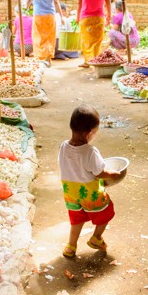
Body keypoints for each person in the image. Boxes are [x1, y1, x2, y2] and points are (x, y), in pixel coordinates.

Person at [58, 105, 122, 258]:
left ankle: (71, 246)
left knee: (76, 218)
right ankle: (96, 238)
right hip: (89, 193)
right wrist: (112, 175)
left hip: (71, 192)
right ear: (89, 133)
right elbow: (99, 172)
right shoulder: (90, 152)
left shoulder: (63, 147)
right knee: (106, 212)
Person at [26, 0, 64, 65]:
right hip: (50, 15)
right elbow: (56, 2)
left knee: (38, 36)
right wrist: (62, 16)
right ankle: (48, 58)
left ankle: (40, 58)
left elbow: (28, 0)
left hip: (38, 15)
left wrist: (26, 9)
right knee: (49, 37)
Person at [77, 0, 111, 67]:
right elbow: (108, 3)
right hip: (99, 18)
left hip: (85, 18)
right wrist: (109, 16)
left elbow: (79, 4)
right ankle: (96, 61)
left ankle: (87, 62)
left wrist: (77, 17)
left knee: (86, 41)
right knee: (97, 41)